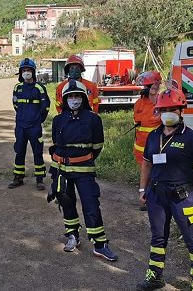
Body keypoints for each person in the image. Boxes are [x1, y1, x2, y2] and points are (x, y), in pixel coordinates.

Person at [136, 88, 193, 291]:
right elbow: (146, 164)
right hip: (157, 196)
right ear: (159, 112)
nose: (168, 113)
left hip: (184, 198)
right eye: (164, 109)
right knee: (158, 237)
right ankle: (155, 276)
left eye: (173, 109)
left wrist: (190, 184)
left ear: (181, 111)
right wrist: (142, 190)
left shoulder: (192, 138)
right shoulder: (153, 136)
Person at [48, 80, 118, 261]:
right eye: (70, 96)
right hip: (63, 169)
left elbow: (97, 146)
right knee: (66, 203)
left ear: (84, 98)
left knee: (91, 205)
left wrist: (82, 159)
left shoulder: (93, 119)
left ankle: (100, 244)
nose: (74, 99)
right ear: (65, 99)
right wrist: (55, 176)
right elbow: (57, 147)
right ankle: (72, 236)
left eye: (77, 96)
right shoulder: (58, 120)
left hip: (84, 170)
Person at [9, 58, 50, 190]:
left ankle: (39, 179)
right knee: (19, 151)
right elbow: (15, 105)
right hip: (21, 126)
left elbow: (45, 108)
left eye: (28, 70)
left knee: (37, 152)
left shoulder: (40, 88)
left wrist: (37, 120)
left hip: (34, 127)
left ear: (33, 72)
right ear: (20, 73)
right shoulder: (17, 87)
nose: (26, 72)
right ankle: (18, 177)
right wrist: (22, 117)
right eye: (24, 70)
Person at [133, 71, 162, 211]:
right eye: (147, 86)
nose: (150, 88)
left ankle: (157, 198)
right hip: (140, 147)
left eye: (153, 85)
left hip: (158, 146)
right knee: (145, 173)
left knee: (158, 173)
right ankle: (144, 198)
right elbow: (138, 123)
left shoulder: (162, 102)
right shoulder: (138, 103)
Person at [133, 71, 162, 164]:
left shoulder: (162, 103)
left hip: (157, 150)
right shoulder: (138, 103)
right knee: (145, 177)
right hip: (140, 151)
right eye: (145, 86)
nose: (145, 88)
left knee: (157, 176)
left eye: (147, 86)